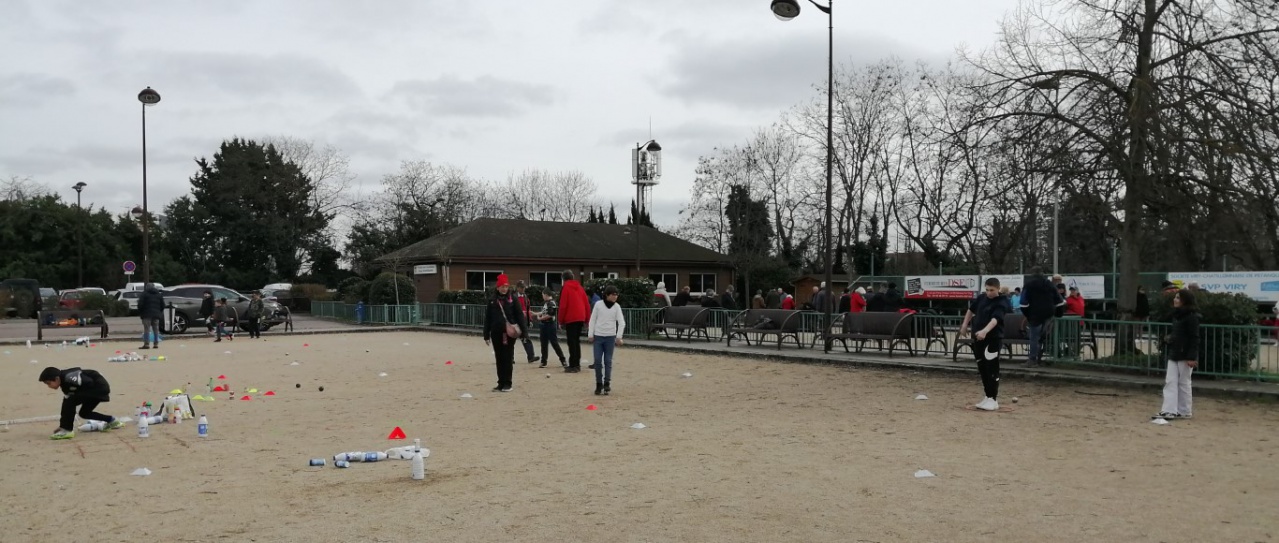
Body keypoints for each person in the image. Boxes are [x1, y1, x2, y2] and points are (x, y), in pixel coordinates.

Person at [959, 278, 1008, 411]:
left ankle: (993, 398)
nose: (989, 293)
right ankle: (987, 396)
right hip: (978, 338)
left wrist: (985, 331)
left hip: (992, 339)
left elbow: (995, 319)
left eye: (992, 290)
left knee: (991, 367)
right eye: (987, 290)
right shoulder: (981, 298)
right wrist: (964, 325)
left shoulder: (1001, 302)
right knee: (982, 367)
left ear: (998, 289)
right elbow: (971, 310)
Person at [39, 366, 124, 440]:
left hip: (99, 387)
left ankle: (67, 430)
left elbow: (89, 382)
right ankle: (112, 421)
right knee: (84, 413)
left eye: (49, 383)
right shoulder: (64, 385)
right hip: (95, 389)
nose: (49, 386)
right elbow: (65, 406)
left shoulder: (69, 377)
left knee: (70, 401)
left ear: (57, 379)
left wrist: (77, 395)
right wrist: (62, 425)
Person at [1157, 289, 1200, 420]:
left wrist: (1191, 357)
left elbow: (1194, 338)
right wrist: (1170, 339)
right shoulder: (1177, 316)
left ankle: (1184, 410)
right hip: (1175, 352)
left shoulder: (1191, 317)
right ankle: (1169, 410)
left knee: (1184, 383)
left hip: (1184, 354)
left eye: (1178, 298)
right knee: (1170, 381)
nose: (1175, 300)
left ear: (1184, 301)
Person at [484, 274, 526, 392]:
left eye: (506, 286)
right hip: (496, 332)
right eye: (502, 286)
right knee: (499, 358)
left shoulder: (513, 299)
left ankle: (508, 382)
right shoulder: (492, 300)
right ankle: (500, 382)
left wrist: (524, 333)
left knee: (507, 357)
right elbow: (488, 318)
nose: (504, 289)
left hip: (508, 333)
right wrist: (486, 334)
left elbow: (519, 316)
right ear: (497, 287)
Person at [1020, 267, 1064, 367]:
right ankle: (1042, 359)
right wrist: (1058, 314)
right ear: (1043, 274)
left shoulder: (1028, 285)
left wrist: (1028, 315)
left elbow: (1023, 303)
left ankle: (1032, 360)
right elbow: (1060, 301)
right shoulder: (1050, 284)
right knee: (1043, 337)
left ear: (1032, 274)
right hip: (1049, 313)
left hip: (1035, 314)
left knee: (1034, 338)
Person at [587, 285, 626, 396]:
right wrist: (590, 334)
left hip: (610, 337)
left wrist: (618, 336)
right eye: (613, 294)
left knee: (608, 361)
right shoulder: (598, 305)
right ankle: (599, 383)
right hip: (598, 336)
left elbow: (621, 322)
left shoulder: (617, 307)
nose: (615, 297)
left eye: (616, 295)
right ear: (607, 295)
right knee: (597, 360)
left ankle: (607, 383)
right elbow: (593, 319)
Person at [557, 270, 590, 374]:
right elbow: (586, 304)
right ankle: (577, 364)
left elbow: (563, 305)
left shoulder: (565, 288)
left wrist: (560, 320)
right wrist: (587, 319)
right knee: (576, 341)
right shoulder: (580, 287)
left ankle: (573, 365)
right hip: (581, 316)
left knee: (571, 342)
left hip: (571, 317)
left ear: (563, 279)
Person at [538, 290, 567, 368]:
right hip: (544, 325)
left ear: (546, 295)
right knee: (543, 344)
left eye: (543, 295)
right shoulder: (546, 303)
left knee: (554, 343)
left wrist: (541, 318)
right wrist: (536, 314)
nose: (542, 297)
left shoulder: (552, 303)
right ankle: (543, 361)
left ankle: (563, 359)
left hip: (550, 325)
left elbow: (550, 314)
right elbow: (543, 312)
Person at [514, 281, 540, 364]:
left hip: (523, 321)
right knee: (511, 341)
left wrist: (530, 320)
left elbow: (528, 309)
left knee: (526, 339)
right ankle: (510, 358)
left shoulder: (525, 297)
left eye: (524, 287)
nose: (523, 289)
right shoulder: (513, 297)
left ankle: (531, 356)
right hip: (515, 321)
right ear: (517, 288)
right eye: (522, 287)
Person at [137, 283, 165, 349]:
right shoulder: (158, 294)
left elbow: (140, 304)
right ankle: (156, 344)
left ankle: (146, 344)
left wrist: (141, 312)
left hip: (146, 314)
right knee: (156, 329)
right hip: (156, 314)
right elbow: (163, 305)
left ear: (146, 287)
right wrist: (159, 312)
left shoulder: (144, 294)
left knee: (147, 329)